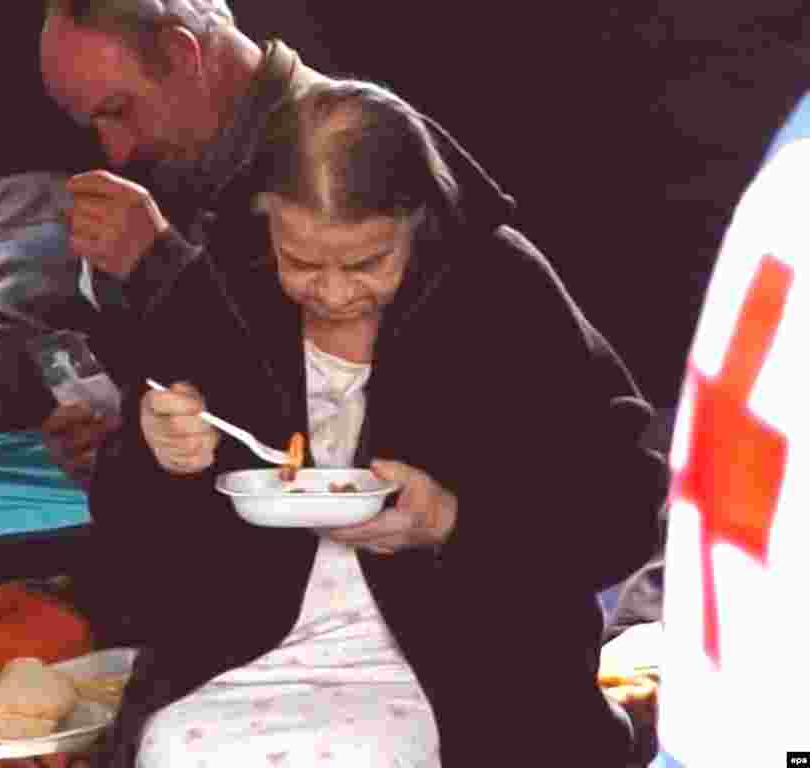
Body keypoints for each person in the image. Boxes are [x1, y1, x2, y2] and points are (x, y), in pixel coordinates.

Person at [89, 79, 668, 767]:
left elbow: (627, 506)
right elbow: (126, 563)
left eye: (367, 263)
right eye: (300, 261)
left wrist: (452, 522)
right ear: (263, 216)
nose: (332, 293)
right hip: (238, 662)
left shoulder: (501, 289)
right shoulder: (215, 289)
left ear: (420, 220)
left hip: (472, 675)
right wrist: (160, 459)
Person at [36, 0, 328, 487]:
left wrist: (159, 266)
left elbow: (334, 425)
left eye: (119, 111)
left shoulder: (349, 157)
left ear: (181, 54)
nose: (116, 150)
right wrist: (135, 440)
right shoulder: (209, 165)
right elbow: (239, 405)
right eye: (97, 125)